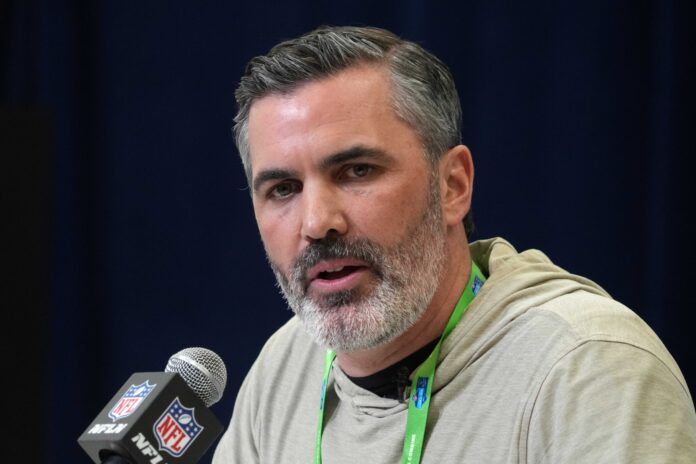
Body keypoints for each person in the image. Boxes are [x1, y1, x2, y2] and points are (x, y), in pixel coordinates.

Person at [213, 26, 696, 463]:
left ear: (452, 186)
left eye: (357, 171)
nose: (318, 222)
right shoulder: (284, 365)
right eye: (282, 189)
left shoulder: (587, 370)